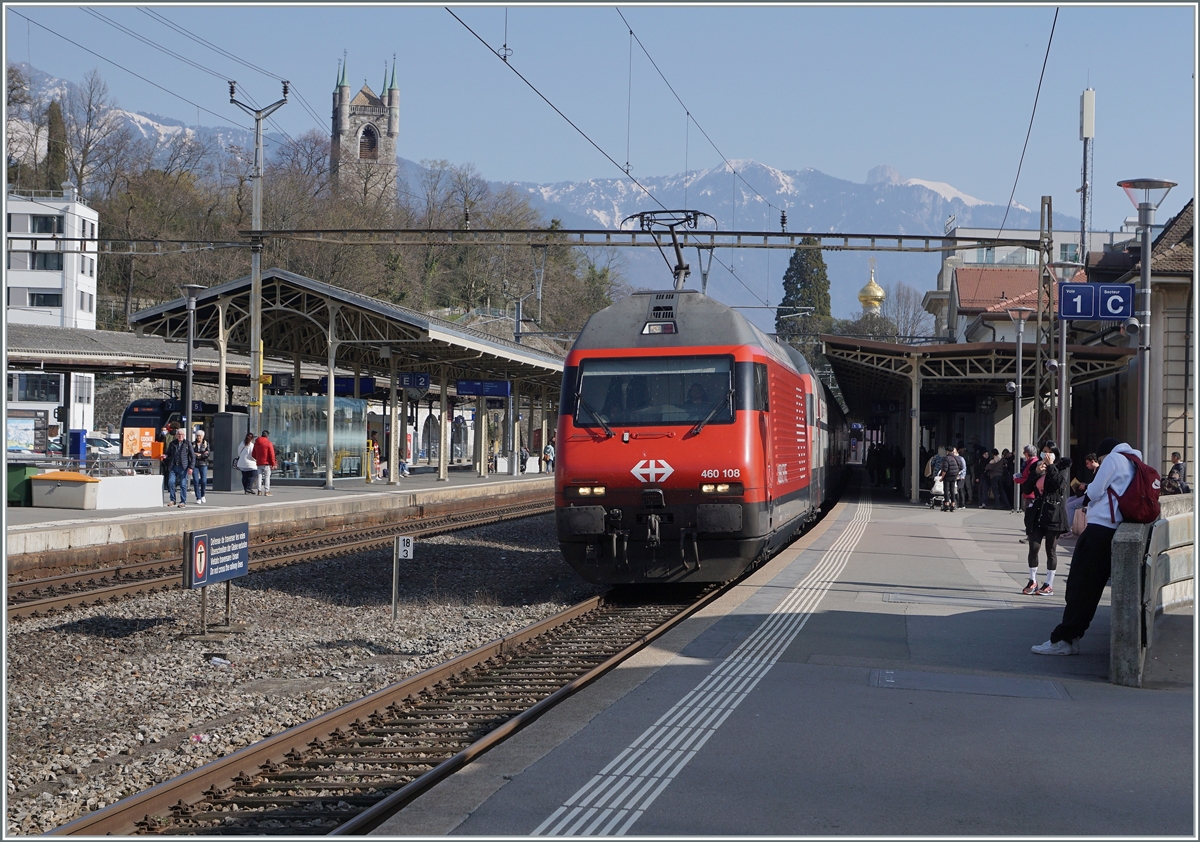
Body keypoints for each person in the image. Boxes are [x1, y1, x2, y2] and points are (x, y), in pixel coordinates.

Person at [1032, 438, 1140, 655]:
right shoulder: (1134, 460)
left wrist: (1084, 499)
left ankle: (1063, 640)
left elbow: (1095, 491)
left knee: (1079, 587)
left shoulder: (1113, 460)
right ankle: (1070, 636)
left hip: (1099, 529)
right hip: (1117, 529)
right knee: (1092, 588)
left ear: (1103, 455)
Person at [1020, 451, 1070, 595]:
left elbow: (1059, 484)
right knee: (1033, 547)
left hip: (1053, 513)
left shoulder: (1061, 467)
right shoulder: (1038, 466)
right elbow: (1026, 489)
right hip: (1037, 512)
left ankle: (1049, 584)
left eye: (1050, 452)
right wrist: (1035, 472)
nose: (1046, 455)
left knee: (1051, 550)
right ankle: (1032, 580)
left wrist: (1051, 466)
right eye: (1044, 451)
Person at [161, 428, 195, 508]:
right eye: (179, 434)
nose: (180, 436)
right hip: (173, 466)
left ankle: (183, 501)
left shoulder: (187, 443)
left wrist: (191, 467)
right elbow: (168, 453)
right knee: (171, 482)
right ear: (176, 435)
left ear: (184, 436)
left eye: (182, 435)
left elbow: (193, 456)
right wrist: (165, 456)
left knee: (183, 484)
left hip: (183, 466)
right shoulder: (173, 443)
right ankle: (173, 500)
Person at [1065, 453, 1099, 529]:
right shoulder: (1095, 471)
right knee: (1068, 500)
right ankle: (1066, 525)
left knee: (1070, 506)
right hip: (1088, 494)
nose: (1087, 466)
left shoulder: (1099, 471)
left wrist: (1086, 486)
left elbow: (1096, 485)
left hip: (1090, 496)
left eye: (1087, 463)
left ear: (1092, 461)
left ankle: (1068, 528)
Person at [252, 429, 278, 496]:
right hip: (266, 463)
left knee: (259, 476)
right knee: (267, 476)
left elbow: (253, 454)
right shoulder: (269, 443)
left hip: (259, 462)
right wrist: (273, 463)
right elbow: (272, 454)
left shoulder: (256, 443)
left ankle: (259, 490)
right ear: (267, 436)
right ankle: (267, 491)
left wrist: (258, 459)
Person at [938, 446, 961, 512]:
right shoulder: (957, 458)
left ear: (947, 451)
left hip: (947, 476)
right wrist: (956, 474)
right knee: (952, 490)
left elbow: (944, 469)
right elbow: (960, 467)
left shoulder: (946, 458)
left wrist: (942, 478)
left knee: (946, 490)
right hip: (954, 476)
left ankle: (947, 505)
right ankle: (953, 505)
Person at [191, 429, 210, 504]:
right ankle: (198, 497)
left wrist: (200, 455)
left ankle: (203, 495)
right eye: (197, 436)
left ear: (203, 436)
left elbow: (207, 454)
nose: (198, 437)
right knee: (196, 481)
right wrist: (198, 454)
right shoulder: (193, 444)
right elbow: (191, 452)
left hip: (203, 464)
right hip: (195, 464)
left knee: (203, 481)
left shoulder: (206, 444)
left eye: (200, 436)